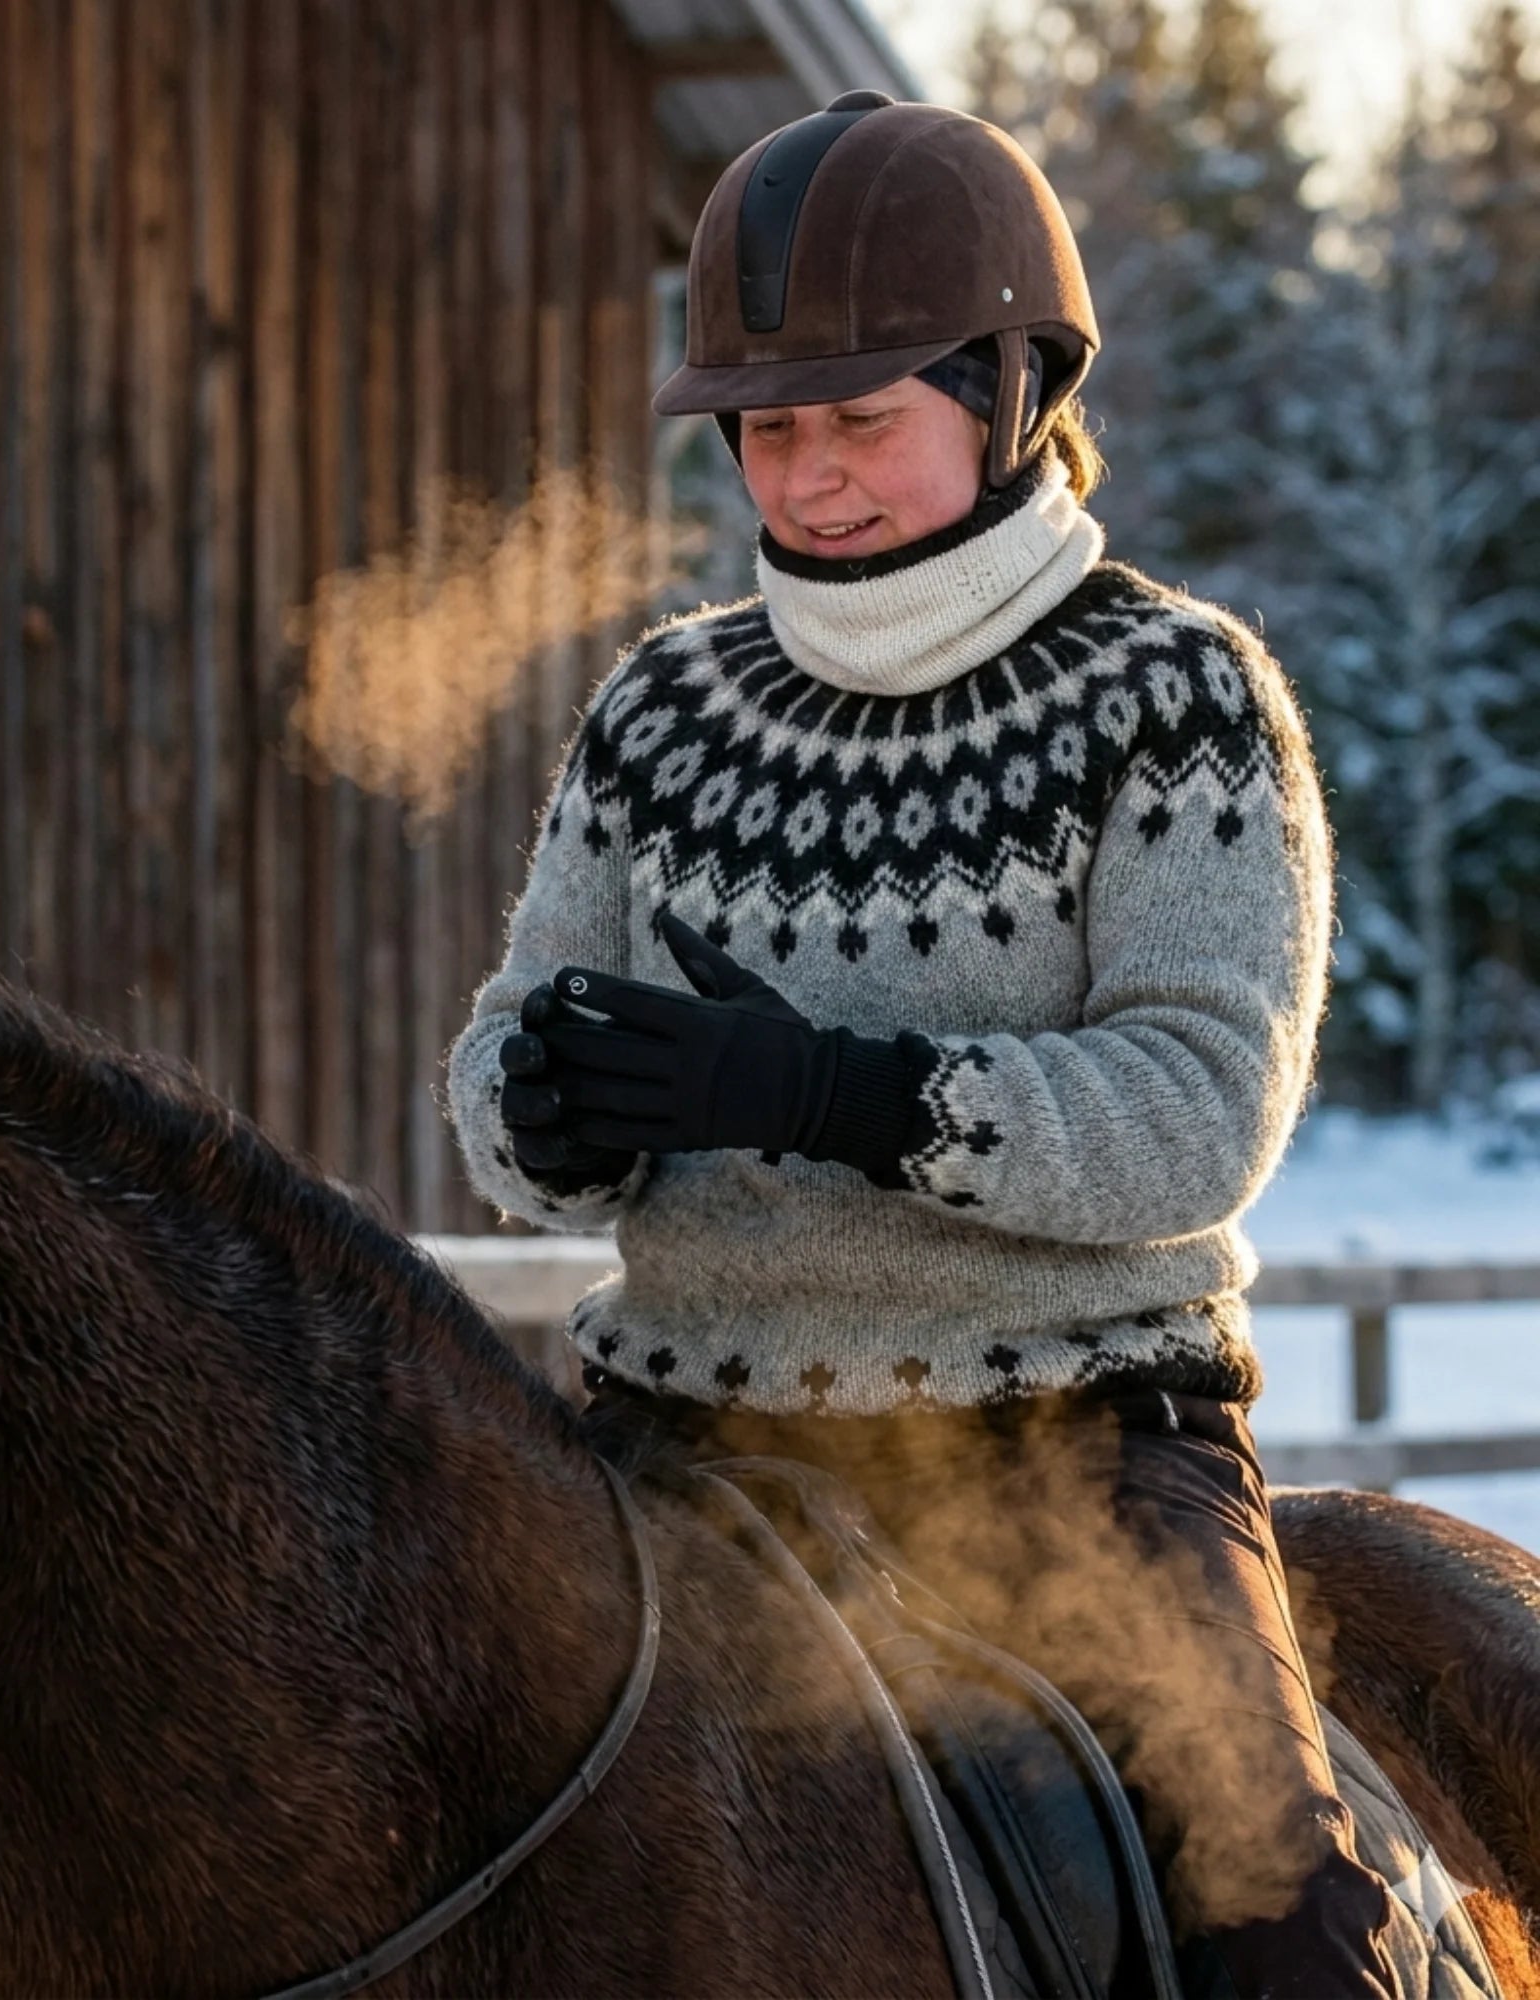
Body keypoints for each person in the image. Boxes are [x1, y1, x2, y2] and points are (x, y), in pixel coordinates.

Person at [443, 91, 1398, 1998]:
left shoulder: (1177, 694)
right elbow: (499, 1045)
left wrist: (836, 1094)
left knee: (1287, 1939)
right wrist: (539, 1104)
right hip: (681, 1448)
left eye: (863, 420)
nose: (810, 482)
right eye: (770, 432)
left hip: (1073, 1454)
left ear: (1019, 385)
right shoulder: (662, 708)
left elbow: (1202, 1113)